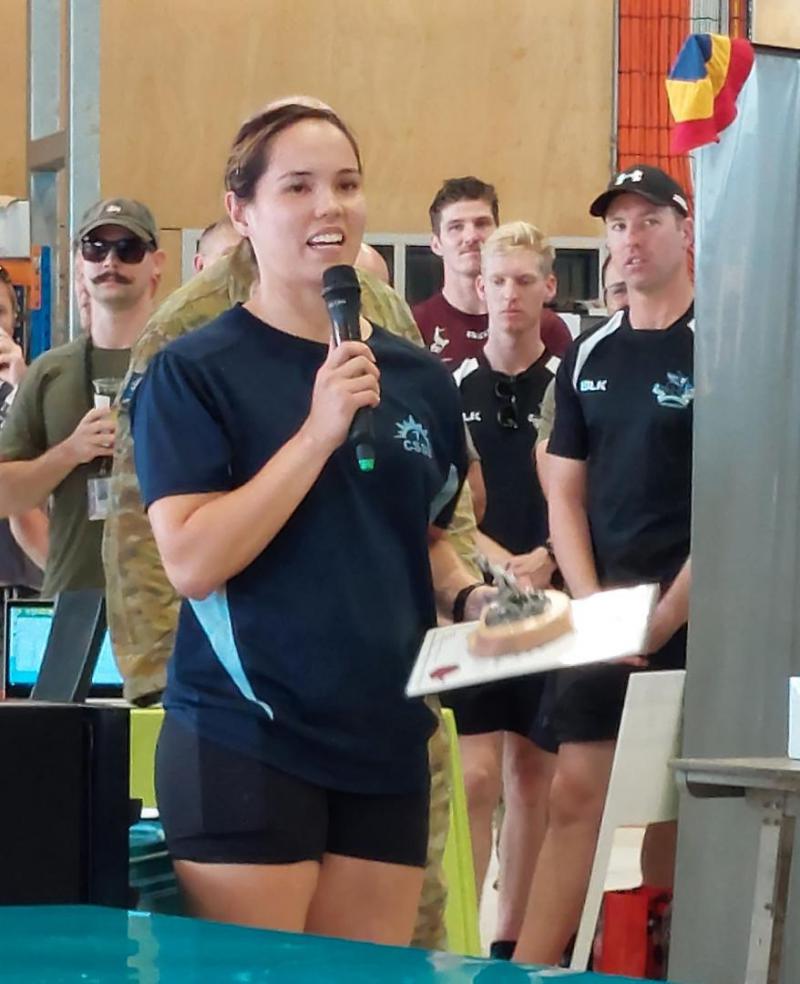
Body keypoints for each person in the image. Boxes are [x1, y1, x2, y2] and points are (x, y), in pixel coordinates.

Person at [129, 101, 485, 945]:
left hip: (384, 738)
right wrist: (318, 433)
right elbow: (192, 560)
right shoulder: (194, 372)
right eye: (298, 187)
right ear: (241, 211)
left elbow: (424, 536)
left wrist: (477, 602)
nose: (330, 206)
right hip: (248, 732)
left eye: (347, 185)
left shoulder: (415, 377)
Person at [514, 164, 694, 964]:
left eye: (649, 221)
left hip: (692, 611)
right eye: (618, 226)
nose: (631, 239)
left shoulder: (722, 346)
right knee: (575, 794)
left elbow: (736, 504)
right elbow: (565, 494)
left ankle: (665, 957)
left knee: (677, 811)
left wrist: (664, 618)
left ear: (685, 231)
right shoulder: (589, 351)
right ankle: (531, 965)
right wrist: (593, 609)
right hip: (605, 608)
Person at [444, 222, 559, 959]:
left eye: (523, 281)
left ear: (549, 287)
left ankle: (509, 945)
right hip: (478, 594)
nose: (509, 295)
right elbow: (448, 507)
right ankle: (459, 933)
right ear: (477, 288)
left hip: (552, 590)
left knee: (533, 774)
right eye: (497, 281)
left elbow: (586, 494)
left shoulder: (570, 383)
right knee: (475, 774)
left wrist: (548, 557)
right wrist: (496, 563)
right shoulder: (454, 386)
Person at [0, 198, 164, 596]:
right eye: (96, 248)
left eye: (128, 249)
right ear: (79, 263)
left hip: (168, 608)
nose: (110, 261)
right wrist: (69, 453)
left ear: (156, 264)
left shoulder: (185, 367)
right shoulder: (49, 372)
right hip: (74, 600)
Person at [412, 177, 572, 369]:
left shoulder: (547, 327)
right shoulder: (416, 325)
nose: (471, 237)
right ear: (436, 244)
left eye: (481, 224)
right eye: (456, 227)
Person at [534, 254, 628, 494]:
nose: (631, 300)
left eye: (638, 287)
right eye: (620, 291)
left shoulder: (700, 361)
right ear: (605, 300)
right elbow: (557, 487)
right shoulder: (576, 371)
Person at [0, 266, 42, 594]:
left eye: (0, 312)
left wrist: (21, 390)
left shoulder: (37, 384)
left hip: (26, 578)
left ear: (14, 319)